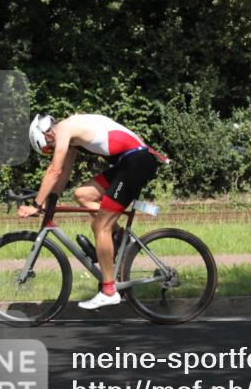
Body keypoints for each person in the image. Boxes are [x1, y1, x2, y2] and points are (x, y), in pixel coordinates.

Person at [23, 113, 168, 310]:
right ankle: (119, 236)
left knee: (100, 226)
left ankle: (109, 291)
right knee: (82, 194)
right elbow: (64, 173)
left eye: (49, 149)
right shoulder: (70, 133)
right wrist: (51, 203)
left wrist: (37, 205)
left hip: (136, 162)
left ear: (46, 136)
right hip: (130, 161)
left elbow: (54, 171)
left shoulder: (64, 130)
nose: (53, 150)